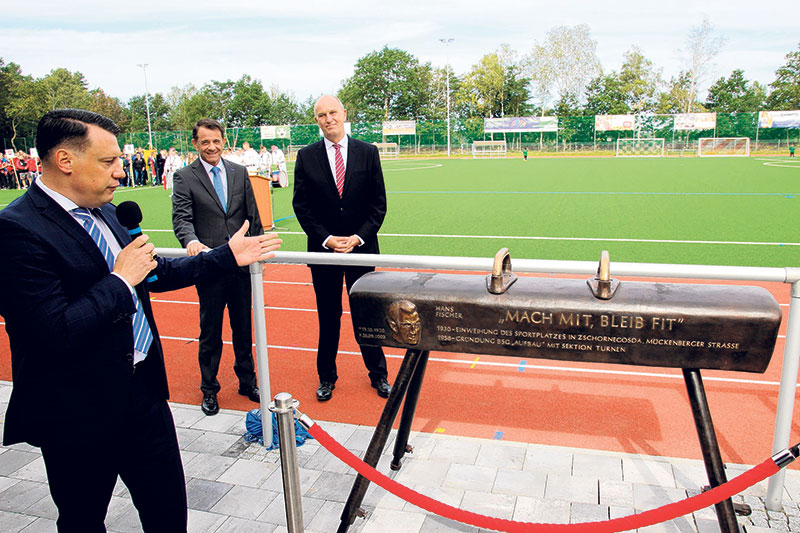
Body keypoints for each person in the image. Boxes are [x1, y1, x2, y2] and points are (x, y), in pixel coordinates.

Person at [0, 108, 281, 532]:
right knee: (82, 518)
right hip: (77, 410)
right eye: (108, 161)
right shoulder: (16, 230)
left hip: (143, 394)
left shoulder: (107, 210)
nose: (120, 172)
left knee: (168, 511)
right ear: (65, 161)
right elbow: (50, 331)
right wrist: (118, 279)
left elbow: (153, 274)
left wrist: (225, 256)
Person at [292, 94, 391, 402]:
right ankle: (326, 377)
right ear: (317, 120)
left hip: (361, 249)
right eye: (321, 115)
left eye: (332, 112)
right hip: (324, 253)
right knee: (328, 316)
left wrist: (358, 237)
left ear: (344, 114)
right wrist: (327, 239)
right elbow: (302, 206)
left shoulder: (368, 152)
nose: (328, 118)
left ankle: (379, 375)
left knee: (366, 315)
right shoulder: (306, 156)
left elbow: (378, 205)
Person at [172, 119, 265, 416]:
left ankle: (247, 382)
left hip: (240, 266)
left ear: (223, 141)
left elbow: (253, 216)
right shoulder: (184, 177)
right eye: (204, 142)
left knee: (243, 328)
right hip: (210, 265)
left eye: (216, 141)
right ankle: (209, 389)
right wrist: (191, 241)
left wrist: (258, 251)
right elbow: (182, 218)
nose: (211, 147)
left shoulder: (239, 172)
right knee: (210, 330)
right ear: (195, 144)